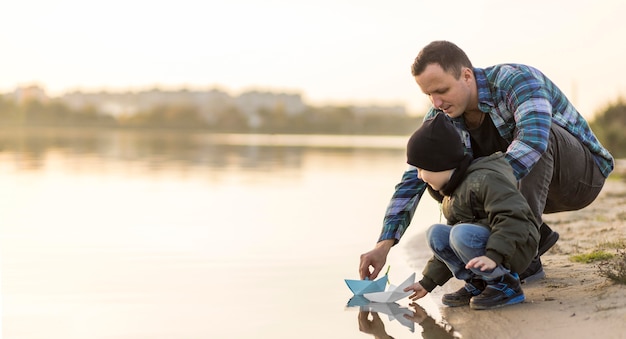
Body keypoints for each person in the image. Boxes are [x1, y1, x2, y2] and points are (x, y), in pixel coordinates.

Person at [359, 40, 614, 283]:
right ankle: (510, 244)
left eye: (442, 90)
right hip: (525, 187)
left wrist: (481, 187)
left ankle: (522, 251)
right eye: (428, 94)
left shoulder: (516, 80)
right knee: (435, 167)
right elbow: (413, 177)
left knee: (536, 136)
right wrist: (383, 245)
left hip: (579, 178)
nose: (436, 102)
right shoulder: (441, 115)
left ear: (466, 76)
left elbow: (533, 142)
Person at [401, 113, 539, 309]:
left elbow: (513, 217)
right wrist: (428, 282)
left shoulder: (484, 179)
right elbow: (447, 246)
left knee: (460, 233)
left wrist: (494, 256)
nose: (420, 176)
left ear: (439, 163)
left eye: (421, 169)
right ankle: (478, 283)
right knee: (437, 233)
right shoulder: (452, 192)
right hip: (489, 245)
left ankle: (504, 284)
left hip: (515, 245)